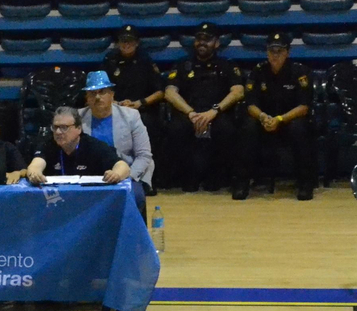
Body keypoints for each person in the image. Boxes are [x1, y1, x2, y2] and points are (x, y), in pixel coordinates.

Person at [164, 22, 246, 193]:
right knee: (175, 129)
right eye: (199, 39)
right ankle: (187, 177)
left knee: (227, 129)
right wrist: (190, 113)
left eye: (207, 39)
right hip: (189, 112)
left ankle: (218, 176)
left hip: (216, 112)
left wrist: (214, 111)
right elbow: (170, 93)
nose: (202, 43)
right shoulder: (183, 64)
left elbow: (238, 92)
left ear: (216, 43)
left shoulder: (227, 65)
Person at [239, 31, 317, 200]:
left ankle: (305, 183)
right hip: (265, 121)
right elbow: (250, 104)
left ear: (287, 52)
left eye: (279, 51)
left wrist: (280, 119)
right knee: (248, 127)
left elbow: (304, 107)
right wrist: (262, 117)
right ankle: (242, 182)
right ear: (267, 52)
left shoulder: (299, 72)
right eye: (271, 51)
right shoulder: (258, 71)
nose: (275, 55)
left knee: (300, 128)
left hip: (289, 121)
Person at [77, 71, 152, 209]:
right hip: (89, 176)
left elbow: (144, 155)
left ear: (112, 95)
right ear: (87, 98)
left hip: (127, 173)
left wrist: (125, 176)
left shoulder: (131, 116)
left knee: (135, 197)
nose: (97, 97)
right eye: (92, 93)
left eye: (102, 92)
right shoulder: (77, 118)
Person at [26, 106, 132, 186]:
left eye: (64, 127)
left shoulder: (93, 146)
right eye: (55, 127)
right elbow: (36, 165)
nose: (58, 132)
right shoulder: (47, 145)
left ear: (79, 128)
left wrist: (116, 174)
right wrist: (34, 173)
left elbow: (123, 166)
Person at [103, 23, 168, 129]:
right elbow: (100, 88)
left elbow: (160, 92)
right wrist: (115, 103)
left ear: (137, 43)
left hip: (141, 109)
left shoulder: (145, 60)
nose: (126, 44)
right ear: (118, 42)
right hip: (114, 107)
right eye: (123, 40)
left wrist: (140, 103)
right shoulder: (110, 60)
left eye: (130, 41)